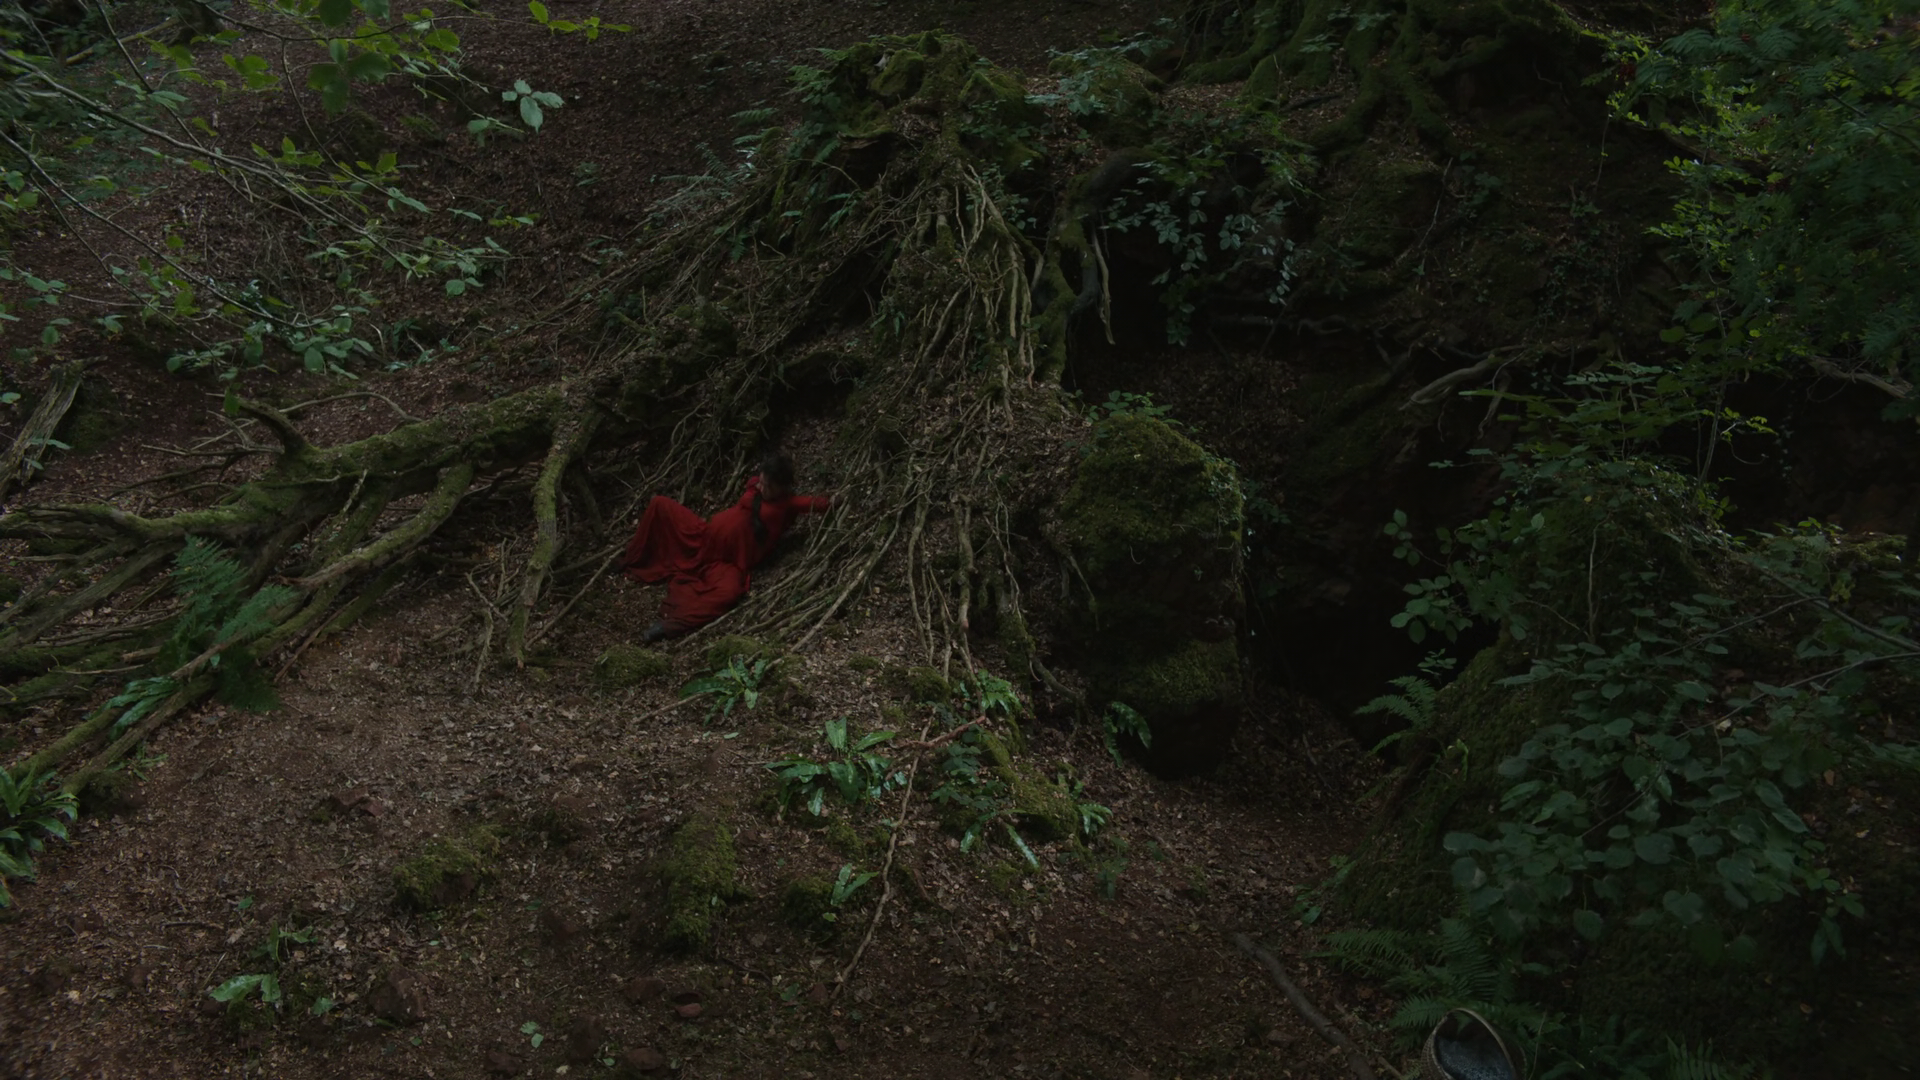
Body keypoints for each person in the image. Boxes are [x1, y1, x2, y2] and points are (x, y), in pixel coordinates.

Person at [621, 451, 831, 641]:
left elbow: (818, 504)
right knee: (660, 504)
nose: (760, 487)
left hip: (727, 561)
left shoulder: (788, 503)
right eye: (761, 482)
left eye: (767, 486)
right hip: (702, 537)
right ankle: (632, 558)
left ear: (781, 487)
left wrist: (837, 500)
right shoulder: (756, 485)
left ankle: (668, 626)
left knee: (728, 593)